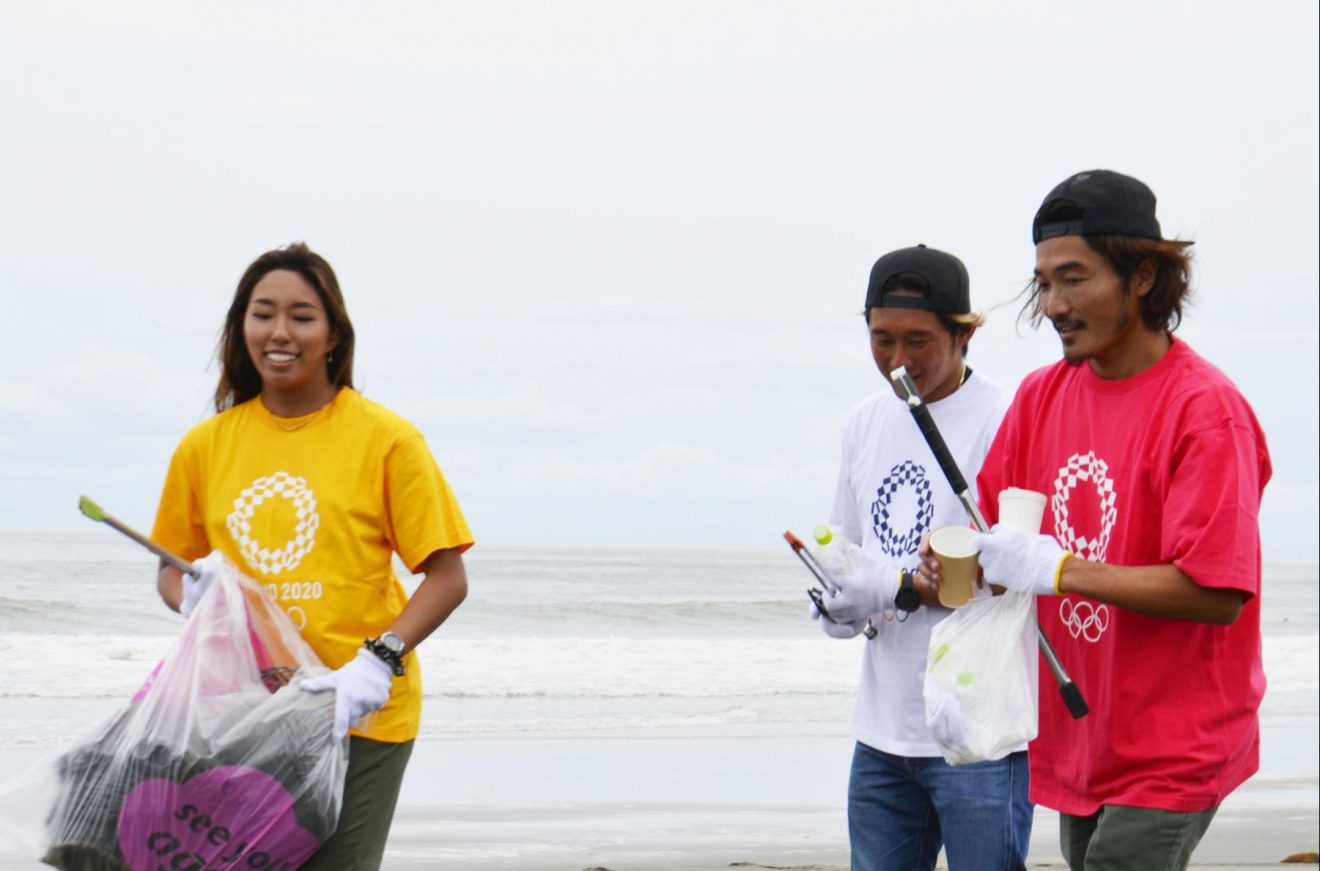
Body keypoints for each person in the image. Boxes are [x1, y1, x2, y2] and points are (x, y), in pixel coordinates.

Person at [926, 170, 1271, 870]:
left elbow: (1217, 593)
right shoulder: (1041, 395)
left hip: (1175, 741)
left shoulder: (1205, 410)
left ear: (1143, 276)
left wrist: (1059, 569)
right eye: (1044, 282)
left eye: (1074, 279)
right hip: (1082, 732)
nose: (1052, 304)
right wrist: (947, 568)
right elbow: (995, 543)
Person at [151, 242, 473, 869]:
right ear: (239, 328)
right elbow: (171, 565)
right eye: (262, 313)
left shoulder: (386, 439)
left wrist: (377, 663)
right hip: (243, 712)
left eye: (301, 316)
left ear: (332, 335)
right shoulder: (205, 445)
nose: (279, 332)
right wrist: (189, 595)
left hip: (357, 716)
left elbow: (447, 576)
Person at [813, 244, 1029, 870]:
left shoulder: (1006, 417)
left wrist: (905, 585)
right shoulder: (864, 421)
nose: (897, 361)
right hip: (882, 731)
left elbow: (1021, 565)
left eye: (918, 341)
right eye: (882, 340)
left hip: (980, 729)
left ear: (964, 335)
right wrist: (839, 599)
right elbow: (846, 553)